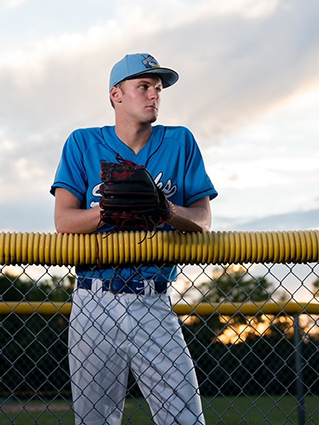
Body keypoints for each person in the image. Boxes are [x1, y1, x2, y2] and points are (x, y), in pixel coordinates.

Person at [51, 52, 217, 425]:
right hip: (94, 299)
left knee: (185, 418)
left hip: (153, 298)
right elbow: (64, 220)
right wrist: (108, 211)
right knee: (95, 421)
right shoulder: (83, 143)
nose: (153, 94)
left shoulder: (179, 142)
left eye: (158, 88)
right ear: (116, 95)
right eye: (143, 86)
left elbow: (203, 219)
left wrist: (165, 209)